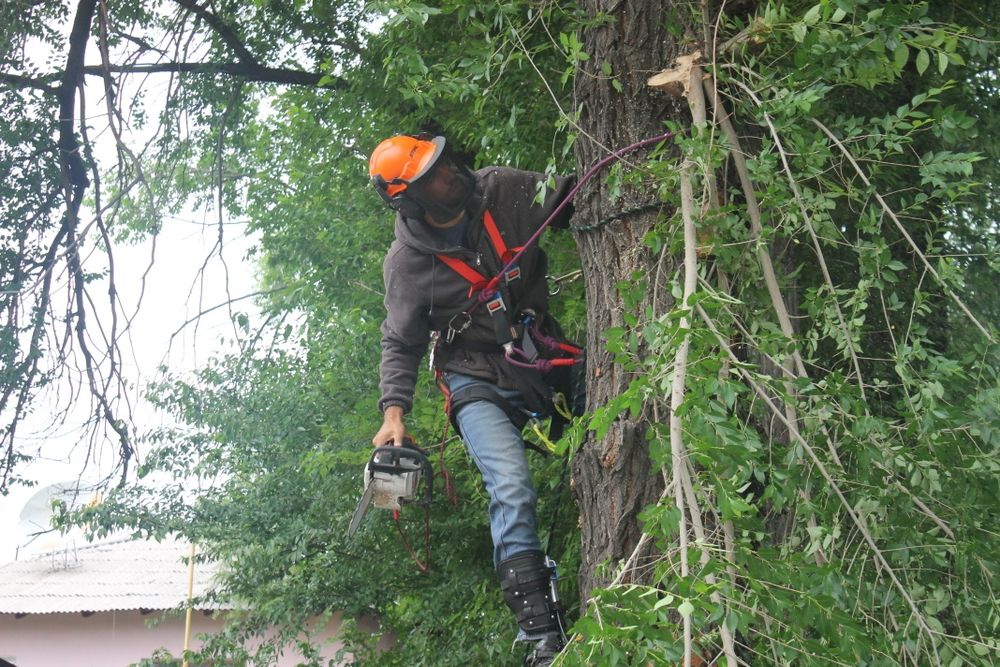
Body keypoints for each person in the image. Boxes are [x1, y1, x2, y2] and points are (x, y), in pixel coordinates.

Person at [368, 133, 578, 666]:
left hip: (541, 355)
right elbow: (401, 342)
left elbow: (578, 199)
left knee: (625, 412)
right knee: (511, 485)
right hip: (474, 379)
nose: (450, 176)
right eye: (433, 178)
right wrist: (394, 414)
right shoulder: (408, 263)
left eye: (445, 164)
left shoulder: (503, 190)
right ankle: (540, 637)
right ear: (410, 201)